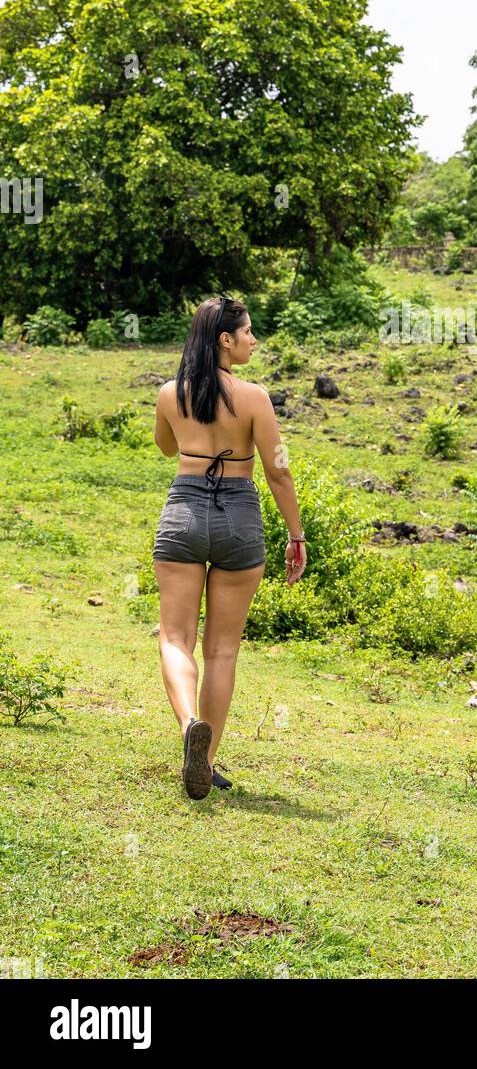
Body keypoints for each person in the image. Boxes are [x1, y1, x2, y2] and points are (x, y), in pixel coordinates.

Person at [152, 296, 306, 800]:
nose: (253, 340)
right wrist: (296, 534)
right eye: (248, 332)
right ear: (226, 339)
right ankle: (208, 757)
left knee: (176, 637)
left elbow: (167, 447)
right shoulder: (256, 398)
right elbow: (277, 468)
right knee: (222, 649)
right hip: (239, 517)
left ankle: (189, 726)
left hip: (184, 514)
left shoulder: (169, 393)